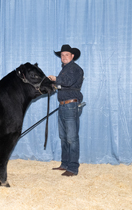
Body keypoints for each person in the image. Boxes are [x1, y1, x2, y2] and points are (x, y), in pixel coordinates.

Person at [48, 44, 84, 177]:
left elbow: (67, 82)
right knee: (64, 137)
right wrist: (52, 85)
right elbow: (62, 85)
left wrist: (55, 79)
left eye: (66, 55)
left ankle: (73, 168)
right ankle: (65, 163)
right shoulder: (65, 69)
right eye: (62, 55)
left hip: (70, 105)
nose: (64, 57)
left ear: (72, 56)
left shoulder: (75, 69)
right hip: (63, 105)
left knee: (72, 138)